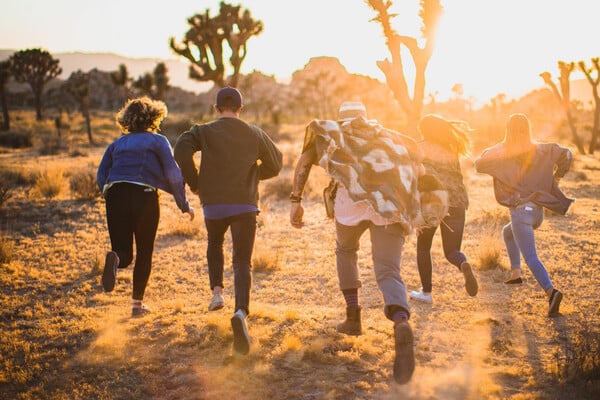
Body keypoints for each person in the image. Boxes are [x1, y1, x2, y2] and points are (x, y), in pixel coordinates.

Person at [290, 101, 427, 384]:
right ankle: (401, 318)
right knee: (388, 269)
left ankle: (353, 318)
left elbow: (304, 163)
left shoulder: (332, 135)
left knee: (346, 252)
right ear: (366, 117)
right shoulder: (388, 136)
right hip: (387, 206)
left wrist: (296, 200)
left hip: (348, 207)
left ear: (341, 119)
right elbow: (418, 163)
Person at [174, 87, 282, 355]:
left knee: (215, 243)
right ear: (240, 109)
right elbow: (277, 163)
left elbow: (180, 150)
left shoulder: (203, 131)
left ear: (216, 108)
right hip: (244, 203)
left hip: (214, 204)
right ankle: (241, 312)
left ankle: (217, 294)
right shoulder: (254, 132)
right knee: (242, 260)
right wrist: (254, 174)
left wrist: (196, 182)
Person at [97, 97, 195, 317]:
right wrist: (184, 204)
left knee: (124, 252)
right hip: (144, 196)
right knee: (144, 252)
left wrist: (108, 193)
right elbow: (172, 173)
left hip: (116, 194)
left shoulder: (117, 144)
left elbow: (101, 173)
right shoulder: (158, 141)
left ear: (127, 119)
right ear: (154, 117)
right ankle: (136, 306)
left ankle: (115, 259)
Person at [475, 113, 573, 317]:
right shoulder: (541, 148)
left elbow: (479, 163)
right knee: (507, 232)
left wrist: (497, 148)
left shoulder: (503, 151)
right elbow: (567, 154)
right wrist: (557, 177)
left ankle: (551, 291)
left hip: (520, 212)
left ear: (507, 131)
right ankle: (516, 274)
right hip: (537, 212)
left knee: (531, 256)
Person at [410, 114, 478, 304]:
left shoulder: (420, 148)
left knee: (423, 247)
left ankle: (427, 293)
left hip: (432, 203)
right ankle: (462, 263)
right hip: (457, 201)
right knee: (452, 251)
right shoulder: (451, 150)